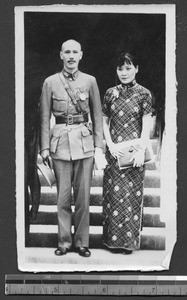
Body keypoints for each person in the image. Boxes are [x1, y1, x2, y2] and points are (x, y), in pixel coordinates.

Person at [40, 39, 103, 257]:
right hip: (59, 145)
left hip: (85, 144)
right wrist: (45, 148)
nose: (71, 56)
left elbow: (97, 115)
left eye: (75, 52)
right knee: (63, 198)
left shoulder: (90, 81)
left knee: (83, 197)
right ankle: (64, 242)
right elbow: (44, 116)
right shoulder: (50, 82)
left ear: (81, 55)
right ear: (60, 55)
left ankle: (82, 242)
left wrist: (98, 145)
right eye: (67, 52)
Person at [102, 52, 152, 254]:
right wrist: (110, 144)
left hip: (134, 154)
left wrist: (141, 150)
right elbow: (104, 121)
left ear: (137, 69)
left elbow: (146, 125)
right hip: (114, 152)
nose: (124, 72)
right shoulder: (110, 93)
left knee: (130, 197)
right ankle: (111, 242)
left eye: (128, 68)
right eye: (120, 68)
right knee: (113, 196)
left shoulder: (144, 94)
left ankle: (128, 243)